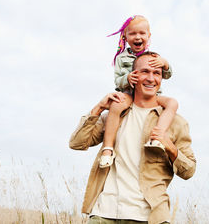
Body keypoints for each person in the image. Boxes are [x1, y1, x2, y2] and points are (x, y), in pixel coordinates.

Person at [69, 52, 196, 224]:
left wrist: (169, 146)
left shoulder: (175, 122)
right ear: (133, 76)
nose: (151, 78)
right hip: (105, 213)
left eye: (157, 73)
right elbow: (77, 143)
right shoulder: (116, 114)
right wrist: (98, 108)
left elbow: (188, 171)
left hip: (149, 216)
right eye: (145, 71)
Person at [100, 15, 178, 168]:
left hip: (152, 97)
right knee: (116, 105)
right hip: (130, 95)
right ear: (125, 37)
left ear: (148, 36)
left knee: (172, 103)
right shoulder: (122, 58)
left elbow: (167, 75)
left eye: (142, 33)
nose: (138, 37)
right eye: (133, 34)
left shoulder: (154, 57)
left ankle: (157, 137)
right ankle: (108, 149)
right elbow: (118, 80)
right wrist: (128, 78)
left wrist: (165, 63)